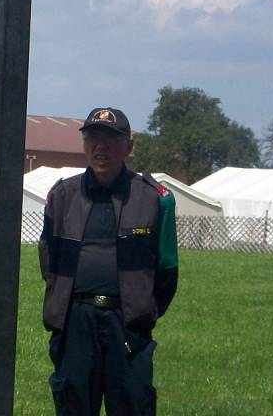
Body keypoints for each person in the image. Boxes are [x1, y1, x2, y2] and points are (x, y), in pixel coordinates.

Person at [38, 107, 178, 415]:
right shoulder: (62, 196)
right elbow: (48, 260)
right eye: (93, 138)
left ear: (128, 146)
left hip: (127, 326)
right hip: (75, 323)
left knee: (132, 405)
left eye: (111, 139)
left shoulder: (155, 199)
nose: (101, 147)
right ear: (84, 144)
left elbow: (167, 270)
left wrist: (143, 312)